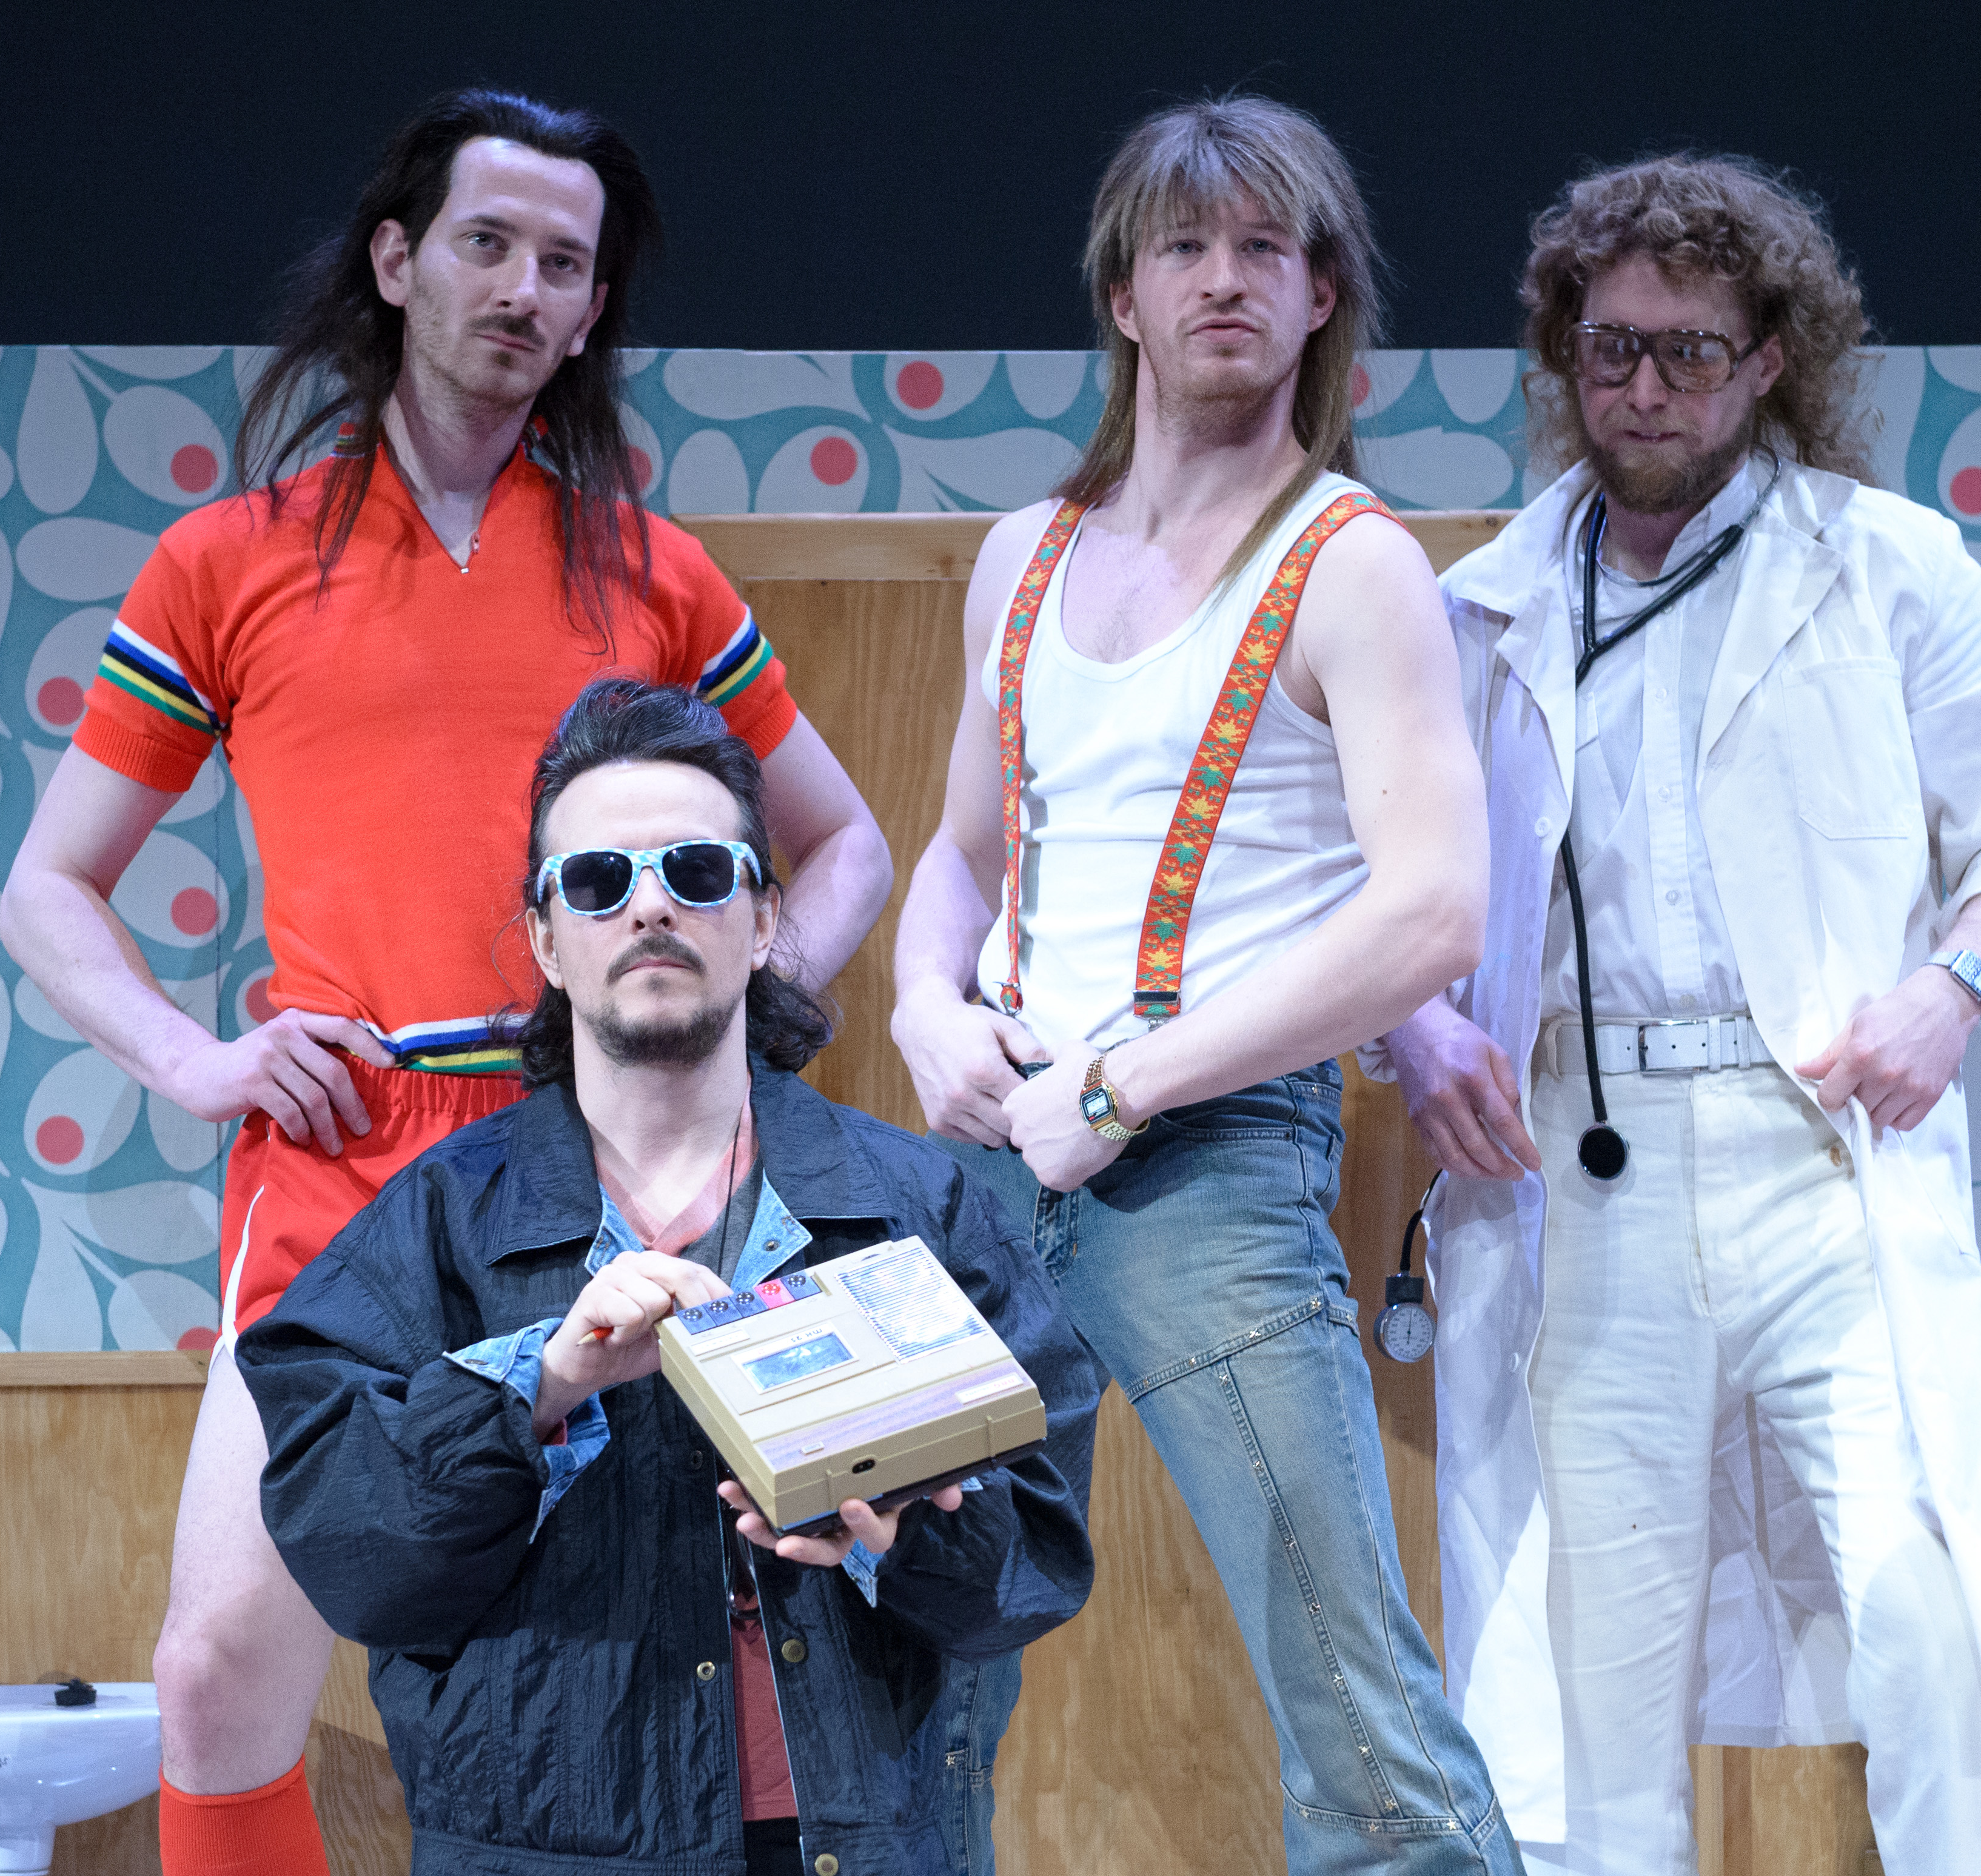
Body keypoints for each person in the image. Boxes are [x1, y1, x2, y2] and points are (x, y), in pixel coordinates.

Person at [0, 92, 891, 1876]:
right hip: (342, 1162)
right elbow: (47, 885)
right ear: (399, 260)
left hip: (607, 1160)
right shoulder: (226, 560)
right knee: (217, 1671)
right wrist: (196, 1059)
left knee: (635, 1669)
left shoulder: (651, 568)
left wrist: (726, 1006)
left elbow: (845, 844)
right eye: (488, 242)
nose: (524, 287)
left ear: (591, 308)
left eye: (565, 262)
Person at [1375, 155, 1981, 1875]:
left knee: (1928, 1611)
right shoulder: (1482, 602)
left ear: (1769, 356)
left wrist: (1951, 984)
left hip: (1820, 1149)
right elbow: (1379, 888)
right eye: (1609, 347)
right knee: (1589, 1676)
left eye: (1687, 351)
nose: (1642, 388)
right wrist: (1412, 1029)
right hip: (1574, 1168)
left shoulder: (1886, 565)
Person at [890, 96, 1521, 1874]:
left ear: (1321, 295)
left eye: (1264, 248)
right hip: (986, 1163)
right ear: (1124, 294)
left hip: (1208, 1170)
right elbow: (959, 852)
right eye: (1184, 246)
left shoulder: (1352, 561)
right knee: (913, 1675)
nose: (1223, 279)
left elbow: (1431, 913)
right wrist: (926, 1008)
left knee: (1352, 1706)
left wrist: (1123, 1086)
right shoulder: (1023, 554)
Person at [233, 678, 1095, 1876]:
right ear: (547, 938)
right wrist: (543, 1382)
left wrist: (900, 1536)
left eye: (696, 871)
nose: (649, 905)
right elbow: (355, 1555)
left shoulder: (923, 1209)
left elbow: (1036, 1560)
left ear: (762, 918)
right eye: (596, 880)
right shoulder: (431, 1226)